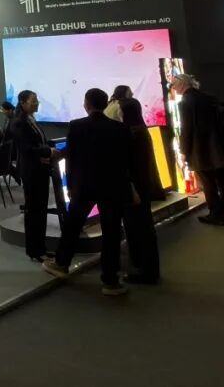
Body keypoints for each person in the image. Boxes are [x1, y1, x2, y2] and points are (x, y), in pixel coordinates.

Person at [42, 88, 134, 296]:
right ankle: (111, 281)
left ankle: (61, 263)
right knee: (112, 233)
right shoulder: (120, 129)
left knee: (72, 227)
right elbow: (126, 161)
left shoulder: (77, 126)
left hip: (84, 186)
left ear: (87, 104)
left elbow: (72, 156)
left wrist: (69, 184)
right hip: (112, 187)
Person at [173, 73, 224, 225]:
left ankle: (216, 215)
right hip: (218, 147)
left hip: (200, 150)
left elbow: (187, 129)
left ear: (182, 84)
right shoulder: (208, 98)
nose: (173, 88)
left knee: (208, 184)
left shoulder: (185, 102)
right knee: (223, 182)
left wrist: (183, 151)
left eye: (174, 84)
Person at [5, 91, 53, 262]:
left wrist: (48, 149)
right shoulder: (18, 122)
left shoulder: (31, 120)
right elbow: (26, 149)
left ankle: (41, 248)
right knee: (34, 212)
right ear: (23, 102)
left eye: (37, 100)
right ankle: (34, 250)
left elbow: (39, 142)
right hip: (31, 172)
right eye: (33, 101)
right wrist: (48, 151)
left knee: (41, 210)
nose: (37, 103)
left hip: (40, 169)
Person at [120, 97, 161, 284]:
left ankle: (143, 270)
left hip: (133, 190)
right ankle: (148, 269)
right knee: (145, 228)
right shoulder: (142, 131)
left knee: (137, 229)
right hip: (143, 187)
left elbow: (127, 166)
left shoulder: (131, 134)